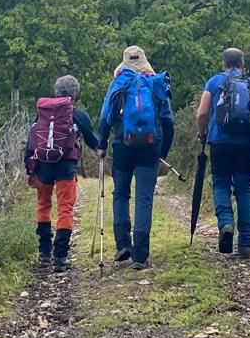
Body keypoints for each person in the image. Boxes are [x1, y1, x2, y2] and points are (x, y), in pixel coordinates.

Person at [98, 45, 174, 269]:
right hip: (150, 148)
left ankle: (123, 246)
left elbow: (105, 119)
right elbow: (168, 122)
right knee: (144, 198)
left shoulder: (119, 84)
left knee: (120, 193)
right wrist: (162, 152)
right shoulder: (155, 84)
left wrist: (102, 145)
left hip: (122, 146)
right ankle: (140, 255)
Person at [196, 48, 250, 258]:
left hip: (219, 143)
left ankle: (226, 223)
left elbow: (202, 113)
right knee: (243, 188)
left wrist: (202, 134)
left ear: (224, 62)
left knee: (221, 183)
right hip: (245, 144)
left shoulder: (214, 82)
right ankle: (246, 242)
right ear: (242, 63)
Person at [25, 75, 100, 271]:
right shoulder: (77, 114)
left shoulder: (41, 114)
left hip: (42, 166)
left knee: (43, 205)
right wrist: (102, 148)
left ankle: (43, 254)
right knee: (65, 208)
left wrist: (29, 167)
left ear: (56, 92)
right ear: (74, 94)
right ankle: (60, 257)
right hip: (66, 166)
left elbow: (31, 142)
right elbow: (93, 141)